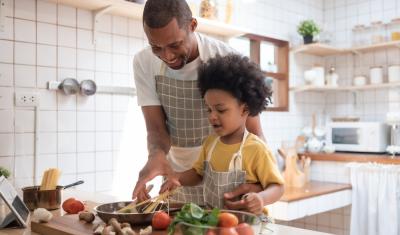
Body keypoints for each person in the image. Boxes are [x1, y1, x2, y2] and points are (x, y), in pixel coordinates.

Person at [132, 0, 266, 208]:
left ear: (192, 25)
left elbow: (254, 133)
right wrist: (155, 157)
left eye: (175, 45)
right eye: (156, 47)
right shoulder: (143, 62)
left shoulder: (227, 59)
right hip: (177, 181)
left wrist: (262, 183)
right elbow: (157, 130)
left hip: (229, 181)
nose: (167, 56)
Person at [160, 54, 284, 214]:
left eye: (220, 109)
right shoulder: (210, 144)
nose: (212, 116)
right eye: (209, 109)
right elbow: (197, 174)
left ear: (245, 109)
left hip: (248, 226)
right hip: (216, 223)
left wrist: (261, 198)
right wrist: (177, 178)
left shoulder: (256, 149)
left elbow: (278, 187)